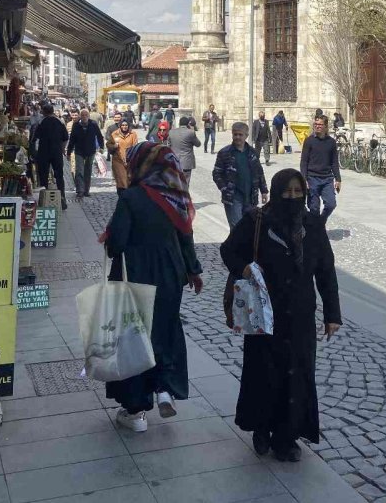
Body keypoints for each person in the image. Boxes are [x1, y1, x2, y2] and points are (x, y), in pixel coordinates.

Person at [221, 169, 341, 462]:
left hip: (300, 314)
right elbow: (228, 250)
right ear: (276, 192)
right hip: (264, 311)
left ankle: (287, 437)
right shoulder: (256, 221)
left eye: (297, 192)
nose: (292, 197)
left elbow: (326, 270)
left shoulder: (312, 225)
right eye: (286, 192)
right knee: (264, 372)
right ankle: (261, 428)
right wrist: (245, 268)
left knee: (297, 375)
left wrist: (332, 314)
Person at [105, 142, 204, 432]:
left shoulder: (132, 197)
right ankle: (164, 389)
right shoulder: (175, 197)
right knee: (165, 330)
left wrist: (111, 236)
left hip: (136, 275)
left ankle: (135, 411)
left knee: (134, 336)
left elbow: (116, 244)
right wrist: (193, 270)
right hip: (170, 275)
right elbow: (186, 235)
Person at [213, 121, 268, 228]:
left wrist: (264, 191)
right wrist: (224, 189)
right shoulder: (224, 153)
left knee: (250, 228)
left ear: (246, 136)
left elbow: (259, 172)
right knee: (237, 228)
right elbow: (216, 173)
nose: (237, 137)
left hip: (251, 197)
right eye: (235, 134)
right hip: (233, 198)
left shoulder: (252, 152)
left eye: (240, 134)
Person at [299, 115, 340, 222]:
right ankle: (315, 228)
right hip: (312, 178)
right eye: (316, 124)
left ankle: (321, 221)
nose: (317, 126)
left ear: (325, 126)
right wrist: (304, 179)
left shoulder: (331, 142)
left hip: (327, 179)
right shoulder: (309, 141)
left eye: (320, 124)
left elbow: (334, 162)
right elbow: (304, 162)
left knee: (331, 204)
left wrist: (338, 179)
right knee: (314, 208)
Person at [33, 103, 69, 210]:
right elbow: (66, 138)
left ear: (43, 112)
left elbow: (35, 139)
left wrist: (35, 152)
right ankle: (62, 199)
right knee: (59, 176)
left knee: (43, 176)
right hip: (56, 152)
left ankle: (44, 200)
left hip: (43, 152)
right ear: (53, 111)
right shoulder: (60, 122)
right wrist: (62, 148)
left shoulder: (41, 122)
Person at [66, 109, 104, 199]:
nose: (84, 117)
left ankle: (86, 190)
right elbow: (72, 139)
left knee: (88, 171)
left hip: (90, 151)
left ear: (88, 116)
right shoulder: (76, 125)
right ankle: (80, 190)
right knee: (79, 171)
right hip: (79, 151)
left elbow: (99, 136)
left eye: (86, 115)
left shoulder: (93, 124)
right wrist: (69, 152)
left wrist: (101, 147)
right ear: (80, 116)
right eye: (82, 115)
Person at [107, 118, 139, 197]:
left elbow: (135, 146)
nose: (124, 127)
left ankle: (128, 196)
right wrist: (114, 146)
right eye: (123, 125)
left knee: (129, 180)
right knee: (121, 180)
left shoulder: (133, 134)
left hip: (129, 160)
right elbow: (108, 144)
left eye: (126, 125)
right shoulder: (114, 134)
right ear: (120, 126)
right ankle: (121, 196)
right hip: (118, 160)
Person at [170, 117, 201, 183]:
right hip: (187, 161)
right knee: (186, 182)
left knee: (176, 182)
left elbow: (168, 145)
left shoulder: (171, 132)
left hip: (175, 160)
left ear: (179, 123)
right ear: (188, 124)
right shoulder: (190, 132)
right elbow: (198, 144)